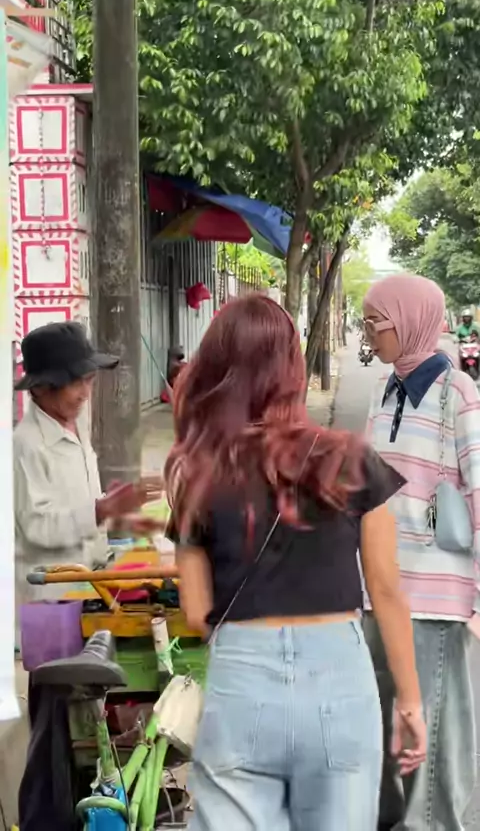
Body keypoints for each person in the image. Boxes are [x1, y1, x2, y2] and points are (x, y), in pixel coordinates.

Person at [165, 293, 426, 831]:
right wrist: (409, 702)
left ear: (218, 370)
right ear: (292, 369)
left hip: (242, 682)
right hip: (340, 681)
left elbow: (195, 611)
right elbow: (385, 590)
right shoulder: (352, 457)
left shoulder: (200, 470)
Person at [363, 274, 480, 831]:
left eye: (376, 322)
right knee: (383, 737)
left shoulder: (458, 394)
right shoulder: (383, 391)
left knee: (431, 755)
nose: (368, 333)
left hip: (435, 600)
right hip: (377, 592)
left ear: (409, 323)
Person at [14, 322, 161, 621]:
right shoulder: (24, 445)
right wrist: (101, 509)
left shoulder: (77, 423)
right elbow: (38, 527)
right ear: (40, 387)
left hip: (89, 584)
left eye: (90, 381)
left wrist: (113, 503)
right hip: (51, 602)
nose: (85, 393)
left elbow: (77, 504)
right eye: (75, 383)